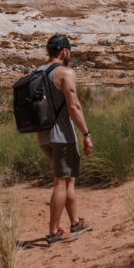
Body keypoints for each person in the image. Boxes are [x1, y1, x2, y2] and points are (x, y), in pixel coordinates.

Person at [36, 34, 94, 244]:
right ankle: (53, 232)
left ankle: (76, 222)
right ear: (64, 51)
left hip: (42, 136)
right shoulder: (65, 72)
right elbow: (74, 106)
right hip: (62, 136)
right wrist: (86, 134)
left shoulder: (37, 72)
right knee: (61, 181)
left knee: (68, 178)